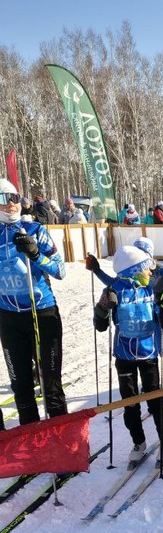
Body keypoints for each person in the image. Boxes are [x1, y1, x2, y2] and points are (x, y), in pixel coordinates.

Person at [92, 243, 163, 468]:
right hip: (124, 355)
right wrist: (103, 309)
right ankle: (139, 442)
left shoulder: (152, 288)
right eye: (145, 268)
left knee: (155, 401)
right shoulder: (114, 289)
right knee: (130, 403)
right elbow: (100, 326)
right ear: (133, 271)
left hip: (148, 354)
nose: (149, 272)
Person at [0, 178, 68, 424]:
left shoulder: (35, 230)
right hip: (9, 319)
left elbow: (60, 271)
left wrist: (36, 254)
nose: (10, 204)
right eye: (3, 199)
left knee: (51, 385)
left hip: (42, 313)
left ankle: (60, 441)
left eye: (14, 198)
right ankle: (30, 442)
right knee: (21, 387)